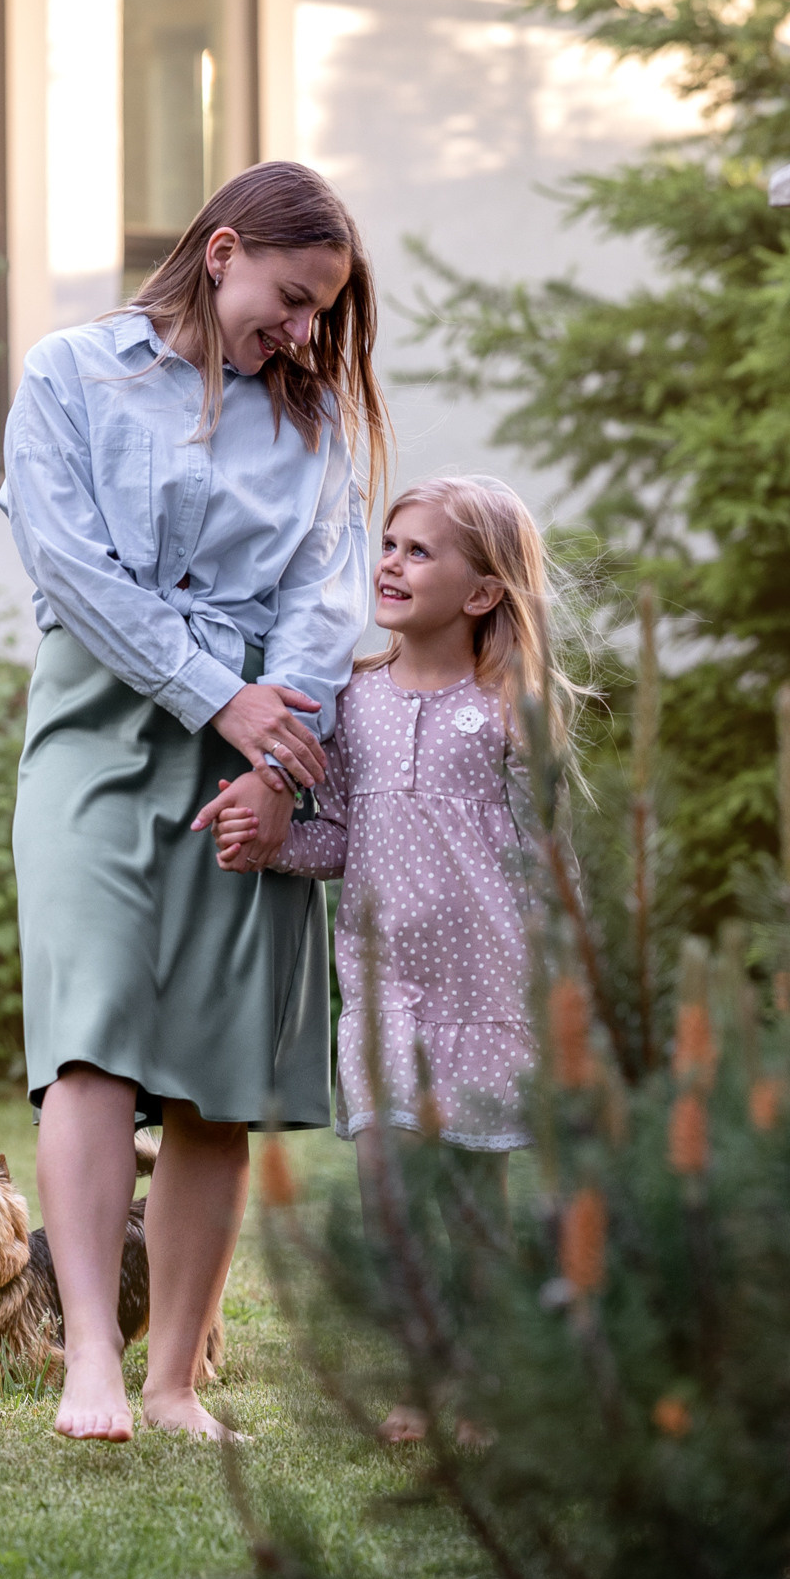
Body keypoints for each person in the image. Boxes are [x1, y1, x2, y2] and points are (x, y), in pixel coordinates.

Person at [0, 161, 388, 1442]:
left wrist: (276, 762)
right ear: (220, 252)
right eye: (291, 297)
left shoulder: (316, 421)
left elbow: (329, 600)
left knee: (222, 1064)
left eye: (323, 309)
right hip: (102, 721)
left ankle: (171, 1382)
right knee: (91, 1026)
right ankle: (89, 1372)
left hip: (263, 735)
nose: (307, 332)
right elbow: (66, 559)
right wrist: (212, 697)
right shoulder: (69, 373)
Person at [197, 475, 582, 1440]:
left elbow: (549, 859)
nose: (392, 564)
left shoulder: (509, 711)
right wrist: (268, 844)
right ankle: (423, 1378)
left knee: (472, 1197)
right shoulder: (351, 702)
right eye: (391, 546)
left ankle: (491, 1385)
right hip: (381, 990)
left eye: (420, 551)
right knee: (389, 1192)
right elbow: (346, 838)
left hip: (489, 992)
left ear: (484, 591)